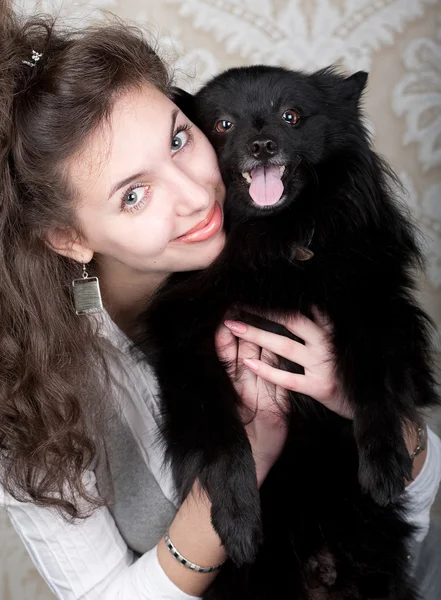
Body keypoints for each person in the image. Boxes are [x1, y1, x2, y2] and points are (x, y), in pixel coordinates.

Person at [0, 5, 440, 599]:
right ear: (69, 238)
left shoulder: (289, 239)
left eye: (180, 139)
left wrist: (363, 405)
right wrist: (230, 481)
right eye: (134, 195)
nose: (193, 195)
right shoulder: (27, 395)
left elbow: (411, 505)